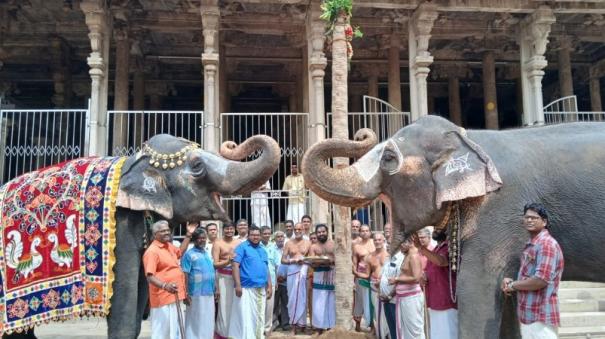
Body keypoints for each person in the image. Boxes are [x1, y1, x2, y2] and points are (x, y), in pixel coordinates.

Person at [501, 203, 564, 339]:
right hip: (529, 314)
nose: (529, 220)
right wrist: (514, 282)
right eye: (527, 217)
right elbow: (529, 276)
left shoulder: (546, 244)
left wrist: (512, 285)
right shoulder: (533, 244)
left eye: (534, 218)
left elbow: (540, 280)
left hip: (540, 315)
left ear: (544, 222)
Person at [142, 220, 187, 339]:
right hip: (162, 298)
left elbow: (180, 252)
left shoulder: (169, 246)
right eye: (163, 231)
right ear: (155, 234)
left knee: (175, 331)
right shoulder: (152, 251)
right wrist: (165, 286)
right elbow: (149, 276)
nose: (167, 232)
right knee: (162, 333)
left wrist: (188, 235)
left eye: (167, 230)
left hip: (175, 295)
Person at [414, 227, 458, 339]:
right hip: (434, 301)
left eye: (439, 228)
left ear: (447, 230)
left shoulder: (450, 246)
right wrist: (423, 277)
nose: (435, 230)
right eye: (435, 228)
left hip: (447, 302)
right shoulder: (435, 250)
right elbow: (429, 272)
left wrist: (420, 248)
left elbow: (441, 261)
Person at [229, 226, 272, 338]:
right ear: (248, 235)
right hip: (245, 288)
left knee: (258, 315)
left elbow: (266, 268)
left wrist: (270, 286)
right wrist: (238, 285)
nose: (255, 237)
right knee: (244, 316)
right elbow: (235, 265)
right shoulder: (241, 248)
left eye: (257, 235)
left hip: (260, 288)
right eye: (253, 235)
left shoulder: (262, 250)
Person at [181, 227, 217, 339]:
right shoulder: (189, 254)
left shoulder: (207, 253)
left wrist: (216, 288)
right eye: (199, 238)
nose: (202, 240)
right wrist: (185, 293)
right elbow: (185, 274)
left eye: (204, 238)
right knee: (195, 318)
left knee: (208, 318)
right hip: (195, 293)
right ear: (194, 239)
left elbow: (212, 271)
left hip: (209, 292)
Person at [389, 237, 425, 339]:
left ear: (410, 243)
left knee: (414, 329)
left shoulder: (413, 256)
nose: (400, 246)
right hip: (404, 298)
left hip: (411, 299)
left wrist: (396, 279)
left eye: (401, 244)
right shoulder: (407, 254)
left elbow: (416, 277)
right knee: (406, 329)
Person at [212, 222, 242, 339]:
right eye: (227, 229)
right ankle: (222, 334)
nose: (229, 231)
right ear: (223, 230)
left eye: (231, 229)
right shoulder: (218, 243)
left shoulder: (239, 243)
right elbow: (215, 264)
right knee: (224, 307)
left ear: (234, 230)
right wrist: (228, 261)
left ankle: (235, 332)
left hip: (237, 278)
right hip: (223, 277)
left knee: (236, 306)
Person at [281, 222, 311, 334]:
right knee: (293, 299)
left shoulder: (308, 243)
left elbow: (311, 257)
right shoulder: (288, 243)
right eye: (295, 229)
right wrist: (292, 260)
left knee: (303, 298)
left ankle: (302, 325)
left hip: (303, 271)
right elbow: (282, 260)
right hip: (292, 271)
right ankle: (293, 326)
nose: (297, 231)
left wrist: (304, 261)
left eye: (300, 229)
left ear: (304, 229)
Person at [308, 224, 336, 334]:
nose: (321, 234)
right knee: (318, 303)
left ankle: (331, 328)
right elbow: (311, 262)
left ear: (327, 231)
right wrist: (319, 262)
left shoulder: (333, 244)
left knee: (331, 303)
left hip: (332, 275)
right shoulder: (313, 247)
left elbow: (339, 259)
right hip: (319, 276)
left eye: (323, 231)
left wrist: (330, 261)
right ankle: (319, 329)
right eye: (319, 232)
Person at [364, 232, 390, 339]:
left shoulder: (390, 254)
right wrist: (354, 271)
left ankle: (389, 334)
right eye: (375, 240)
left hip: (388, 287)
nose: (377, 242)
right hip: (374, 286)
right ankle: (381, 335)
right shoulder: (369, 257)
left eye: (379, 240)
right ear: (373, 241)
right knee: (377, 312)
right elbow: (367, 274)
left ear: (384, 241)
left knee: (388, 311)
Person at [379, 241, 405, 339]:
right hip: (386, 300)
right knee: (391, 327)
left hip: (394, 300)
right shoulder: (388, 258)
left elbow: (399, 281)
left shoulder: (401, 259)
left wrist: (389, 296)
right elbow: (383, 277)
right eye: (387, 244)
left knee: (398, 328)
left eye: (390, 244)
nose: (387, 246)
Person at [352, 224, 375, 331]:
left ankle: (372, 325)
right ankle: (357, 325)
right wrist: (355, 274)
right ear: (360, 233)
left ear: (370, 232)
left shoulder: (375, 243)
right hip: (361, 277)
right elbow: (354, 263)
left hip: (374, 276)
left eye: (367, 230)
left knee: (372, 301)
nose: (364, 232)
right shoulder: (356, 246)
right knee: (359, 300)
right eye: (362, 231)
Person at [260, 226, 281, 335]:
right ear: (260, 234)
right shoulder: (257, 246)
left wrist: (276, 281)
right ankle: (259, 328)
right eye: (265, 233)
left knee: (269, 306)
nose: (267, 235)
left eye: (269, 233)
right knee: (259, 305)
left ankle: (267, 329)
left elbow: (277, 266)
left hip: (271, 280)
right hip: (259, 281)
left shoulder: (273, 247)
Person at [273, 231, 291, 331]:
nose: (280, 238)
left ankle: (285, 323)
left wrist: (286, 277)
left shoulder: (287, 248)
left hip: (285, 280)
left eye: (282, 236)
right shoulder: (271, 249)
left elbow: (290, 263)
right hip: (275, 281)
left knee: (285, 303)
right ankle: (274, 323)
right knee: (274, 304)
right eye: (278, 237)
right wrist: (275, 278)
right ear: (274, 239)